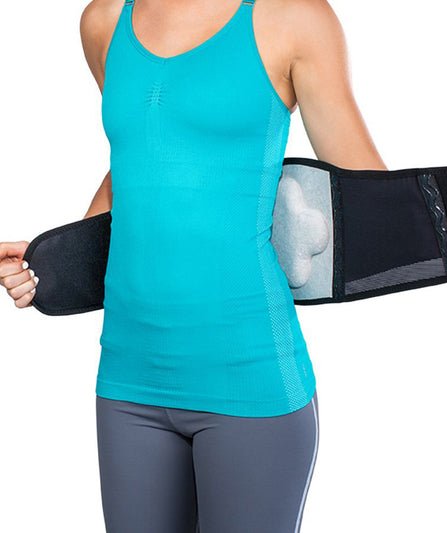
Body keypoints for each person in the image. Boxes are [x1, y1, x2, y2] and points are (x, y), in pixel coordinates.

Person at [0, 0, 386, 531]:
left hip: (250, 378)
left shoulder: (293, 18)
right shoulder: (104, 21)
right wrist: (55, 261)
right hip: (128, 381)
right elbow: (136, 163)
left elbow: (371, 200)